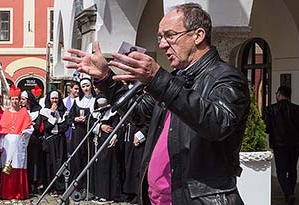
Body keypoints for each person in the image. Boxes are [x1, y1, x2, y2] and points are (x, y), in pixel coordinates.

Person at [64, 3, 249, 204]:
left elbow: (216, 124)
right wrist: (106, 79)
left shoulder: (227, 78)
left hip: (199, 199)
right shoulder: (177, 78)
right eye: (161, 37)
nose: (162, 44)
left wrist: (159, 79)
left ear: (198, 35)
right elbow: (140, 113)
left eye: (170, 35)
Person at [263, 86, 299, 204]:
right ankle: (290, 193)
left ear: (279, 94)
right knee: (292, 169)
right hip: (295, 144)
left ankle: (289, 193)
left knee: (281, 171)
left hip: (279, 144)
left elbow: (266, 128)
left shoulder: (270, 109)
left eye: (276, 93)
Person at [0, 87, 34, 200]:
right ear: (10, 100)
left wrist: (25, 131)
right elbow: (1, 130)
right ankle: (7, 193)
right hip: (7, 144)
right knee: (7, 167)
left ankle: (18, 193)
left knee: (18, 166)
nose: (15, 101)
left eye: (17, 99)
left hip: (19, 144)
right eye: (12, 99)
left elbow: (30, 127)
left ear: (19, 100)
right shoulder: (6, 112)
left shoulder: (24, 112)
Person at [65, 78, 96, 197]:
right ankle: (77, 186)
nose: (86, 89)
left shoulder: (94, 100)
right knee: (76, 159)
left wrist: (87, 120)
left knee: (87, 159)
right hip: (77, 134)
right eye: (83, 87)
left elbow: (97, 116)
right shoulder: (77, 101)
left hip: (89, 134)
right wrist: (75, 119)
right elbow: (69, 118)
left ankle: (88, 187)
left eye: (87, 86)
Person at [40, 90, 69, 194]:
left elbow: (65, 126)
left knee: (60, 161)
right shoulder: (44, 111)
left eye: (56, 98)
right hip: (49, 140)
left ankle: (60, 187)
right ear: (49, 99)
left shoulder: (64, 111)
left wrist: (56, 128)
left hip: (60, 139)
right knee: (49, 163)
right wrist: (52, 113)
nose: (54, 101)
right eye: (52, 98)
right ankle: (50, 187)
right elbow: (46, 127)